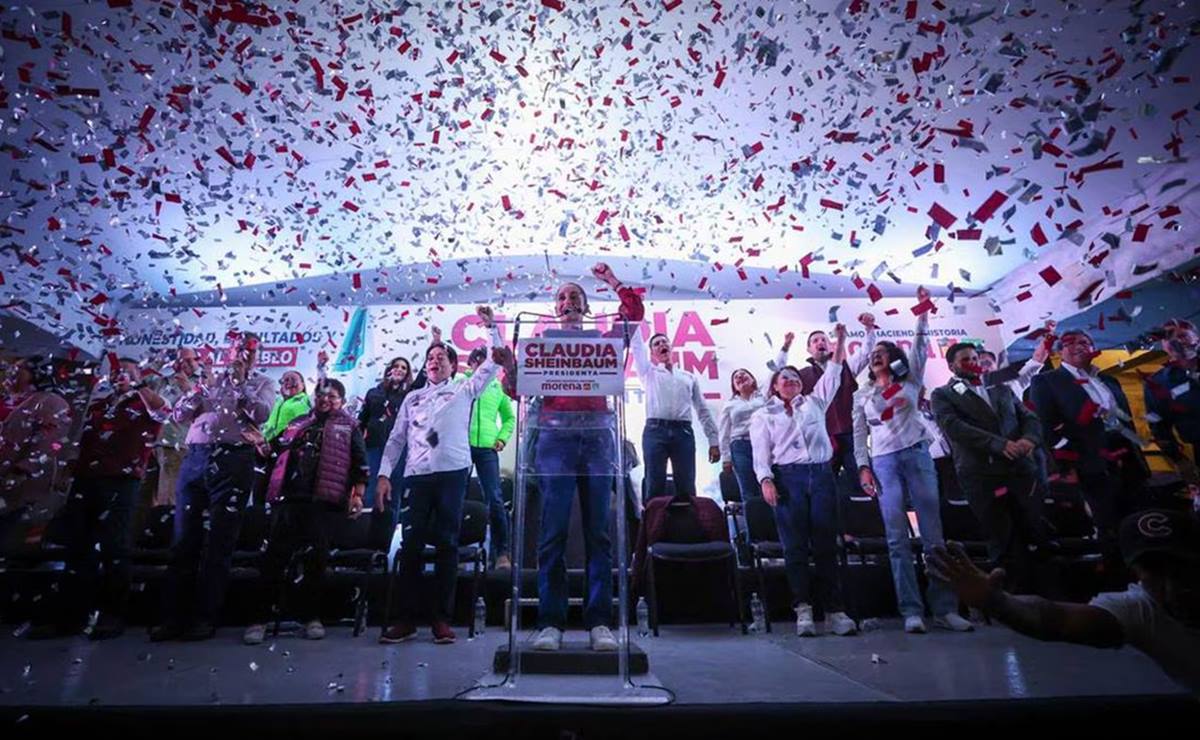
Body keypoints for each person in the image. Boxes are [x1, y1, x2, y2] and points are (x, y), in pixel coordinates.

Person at [930, 509, 1200, 694]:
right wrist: (998, 603)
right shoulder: (1142, 610)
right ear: (1136, 574)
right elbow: (1055, 619)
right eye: (1154, 572)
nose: (1170, 584)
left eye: (1181, 569)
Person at [531, 263, 644, 653]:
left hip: (597, 438)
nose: (568, 301)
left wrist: (611, 280)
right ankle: (551, 622)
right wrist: (509, 366)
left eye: (575, 296)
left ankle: (599, 622)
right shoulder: (540, 345)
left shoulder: (604, 341)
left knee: (599, 533)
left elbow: (634, 313)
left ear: (585, 306)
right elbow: (517, 390)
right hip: (554, 440)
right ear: (555, 308)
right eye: (562, 297)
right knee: (552, 534)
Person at [376, 307, 502, 645]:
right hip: (416, 477)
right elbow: (396, 439)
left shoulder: (465, 389)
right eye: (430, 358)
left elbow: (494, 362)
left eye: (441, 357)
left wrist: (491, 327)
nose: (434, 361)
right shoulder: (412, 397)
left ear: (453, 365)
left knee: (447, 544)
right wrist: (384, 475)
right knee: (411, 547)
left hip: (452, 475)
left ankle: (442, 620)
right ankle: (405, 620)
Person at [853, 287, 973, 633]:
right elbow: (860, 433)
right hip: (884, 462)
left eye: (882, 353)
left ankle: (945, 608)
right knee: (896, 538)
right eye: (872, 354)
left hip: (917, 454)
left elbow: (920, 345)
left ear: (893, 358)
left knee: (933, 535)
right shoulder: (863, 393)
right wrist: (863, 466)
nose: (876, 357)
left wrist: (922, 311)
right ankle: (911, 610)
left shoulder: (911, 378)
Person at [27, 357, 168, 640]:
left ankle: (112, 615)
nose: (120, 376)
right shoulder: (99, 406)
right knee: (79, 547)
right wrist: (68, 468)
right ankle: (70, 618)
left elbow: (163, 409)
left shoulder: (145, 404)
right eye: (117, 372)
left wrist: (137, 384)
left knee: (115, 546)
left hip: (122, 480)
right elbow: (82, 440)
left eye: (128, 372)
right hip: (86, 478)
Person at [151, 332, 276, 642]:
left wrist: (241, 383)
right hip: (196, 457)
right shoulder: (209, 380)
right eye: (238, 349)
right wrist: (199, 389)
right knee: (184, 538)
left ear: (257, 355)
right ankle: (172, 617)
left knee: (219, 541)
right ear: (228, 351)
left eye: (249, 351)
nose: (242, 355)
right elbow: (179, 415)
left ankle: (204, 617)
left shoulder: (263, 382)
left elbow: (261, 414)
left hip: (234, 459)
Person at [242, 379, 369, 645]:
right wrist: (261, 445)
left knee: (316, 561)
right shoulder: (297, 423)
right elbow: (272, 451)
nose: (326, 400)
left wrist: (357, 494)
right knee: (274, 559)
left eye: (332, 396)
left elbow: (360, 464)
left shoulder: (350, 426)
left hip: (325, 502)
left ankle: (311, 618)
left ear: (341, 401)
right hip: (288, 499)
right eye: (321, 395)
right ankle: (259, 620)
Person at [750, 323, 858, 636]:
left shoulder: (815, 402)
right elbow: (761, 454)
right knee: (794, 546)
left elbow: (834, 371)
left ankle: (834, 610)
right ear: (774, 386)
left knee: (826, 543)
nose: (791, 381)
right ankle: (803, 609)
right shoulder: (764, 415)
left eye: (796, 378)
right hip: (788, 479)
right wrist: (766, 480)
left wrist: (841, 340)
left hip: (822, 475)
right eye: (784, 378)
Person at [932, 342, 1046, 594]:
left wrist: (1029, 439)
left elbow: (1028, 416)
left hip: (1020, 470)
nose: (973, 362)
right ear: (951, 366)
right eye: (965, 359)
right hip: (982, 475)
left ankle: (1044, 596)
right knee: (1002, 539)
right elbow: (955, 428)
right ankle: (1008, 599)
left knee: (1033, 532)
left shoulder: (1000, 387)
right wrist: (999, 444)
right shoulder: (943, 394)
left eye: (975, 357)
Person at [1029, 329, 1149, 533]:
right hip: (1089, 463)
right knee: (1108, 522)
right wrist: (1068, 462)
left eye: (1085, 342)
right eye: (1070, 343)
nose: (1079, 346)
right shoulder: (1046, 381)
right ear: (1059, 351)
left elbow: (1126, 418)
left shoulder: (1109, 380)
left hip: (1128, 456)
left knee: (1141, 517)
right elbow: (1045, 426)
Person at [630, 324, 720, 502]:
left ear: (671, 348)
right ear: (652, 353)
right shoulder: (648, 372)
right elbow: (637, 346)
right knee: (654, 483)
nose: (661, 344)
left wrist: (713, 441)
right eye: (656, 344)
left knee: (687, 485)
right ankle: (654, 520)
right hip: (655, 431)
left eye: (664, 342)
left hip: (683, 433)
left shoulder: (688, 377)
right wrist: (634, 318)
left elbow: (702, 410)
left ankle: (688, 520)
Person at [798, 312, 878, 493]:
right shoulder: (801, 376)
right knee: (824, 490)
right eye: (815, 341)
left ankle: (870, 510)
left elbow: (866, 352)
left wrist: (869, 328)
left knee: (864, 485)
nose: (820, 342)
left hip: (851, 435)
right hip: (823, 438)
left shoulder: (846, 366)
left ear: (831, 345)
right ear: (809, 349)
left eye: (824, 339)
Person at [0, 357, 72, 524]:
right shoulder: (9, 398)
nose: (13, 373)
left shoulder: (52, 402)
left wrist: (23, 469)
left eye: (20, 369)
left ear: (36, 374)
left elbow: (51, 441)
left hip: (15, 482)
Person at [718, 338, 791, 501]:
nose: (740, 376)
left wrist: (785, 347)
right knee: (749, 489)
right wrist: (726, 458)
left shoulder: (764, 394)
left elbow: (776, 370)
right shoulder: (729, 405)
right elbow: (724, 433)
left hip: (766, 442)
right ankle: (754, 517)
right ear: (734, 387)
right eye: (736, 377)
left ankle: (777, 517)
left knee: (773, 485)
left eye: (744, 374)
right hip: (740, 446)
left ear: (753, 380)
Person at [465, 346, 516, 569]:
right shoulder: (460, 382)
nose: (481, 365)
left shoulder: (497, 386)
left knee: (495, 499)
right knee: (456, 498)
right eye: (477, 361)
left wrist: (502, 438)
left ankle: (502, 553)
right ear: (471, 364)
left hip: (487, 448)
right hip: (461, 447)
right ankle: (456, 552)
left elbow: (509, 418)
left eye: (485, 361)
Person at [1144, 319, 1200, 483]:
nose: (1176, 341)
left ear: (1196, 338)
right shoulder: (1158, 383)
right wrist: (1178, 460)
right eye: (1168, 337)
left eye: (1182, 335)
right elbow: (1159, 426)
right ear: (1164, 345)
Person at [358, 357, 415, 510]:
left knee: (393, 491)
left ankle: (391, 523)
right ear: (389, 369)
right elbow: (361, 420)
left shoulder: (410, 395)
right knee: (370, 490)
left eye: (404, 368)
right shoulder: (373, 393)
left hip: (398, 451)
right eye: (396, 366)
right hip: (373, 447)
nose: (399, 369)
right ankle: (367, 521)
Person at [154, 348, 200, 507]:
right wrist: (159, 360)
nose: (184, 363)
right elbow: (140, 384)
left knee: (169, 496)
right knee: (145, 498)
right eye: (180, 359)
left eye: (189, 360)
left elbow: (200, 407)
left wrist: (186, 386)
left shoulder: (203, 381)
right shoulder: (163, 381)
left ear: (197, 361)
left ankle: (166, 522)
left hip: (177, 444)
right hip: (153, 444)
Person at [262, 371, 312, 443]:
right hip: (270, 443)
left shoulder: (305, 400)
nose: (289, 383)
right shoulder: (278, 401)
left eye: (293, 380)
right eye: (284, 381)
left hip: (291, 444)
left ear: (303, 385)